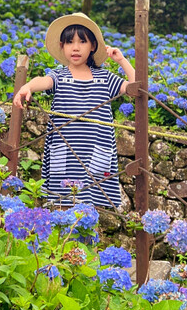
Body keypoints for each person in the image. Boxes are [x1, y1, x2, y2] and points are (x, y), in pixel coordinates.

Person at [13, 12, 135, 209]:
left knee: (92, 206)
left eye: (82, 41)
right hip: (66, 152)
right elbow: (42, 81)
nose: (75, 47)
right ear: (62, 46)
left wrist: (122, 60)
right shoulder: (59, 76)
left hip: (95, 153)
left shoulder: (105, 78)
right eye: (69, 42)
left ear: (93, 46)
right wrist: (27, 87)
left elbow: (136, 88)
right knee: (62, 205)